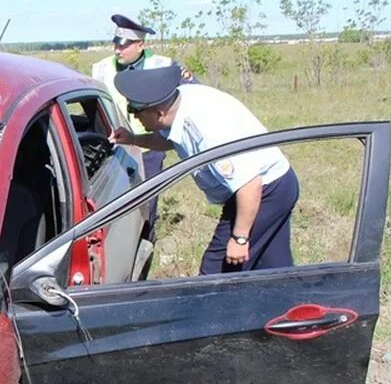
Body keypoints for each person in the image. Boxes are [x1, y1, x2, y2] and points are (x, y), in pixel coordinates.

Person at [109, 65, 299, 275]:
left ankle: (206, 307)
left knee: (215, 271)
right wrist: (134, 139)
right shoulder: (179, 102)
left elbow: (249, 184)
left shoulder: (209, 130)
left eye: (135, 111)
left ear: (159, 113)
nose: (134, 117)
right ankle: (288, 303)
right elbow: (169, 140)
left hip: (264, 192)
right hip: (274, 184)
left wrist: (240, 238)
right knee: (274, 267)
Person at [91, 14, 193, 182]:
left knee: (147, 201)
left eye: (123, 46)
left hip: (150, 148)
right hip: (115, 146)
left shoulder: (164, 65)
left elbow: (192, 94)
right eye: (115, 43)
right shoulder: (101, 68)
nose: (117, 50)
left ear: (140, 45)